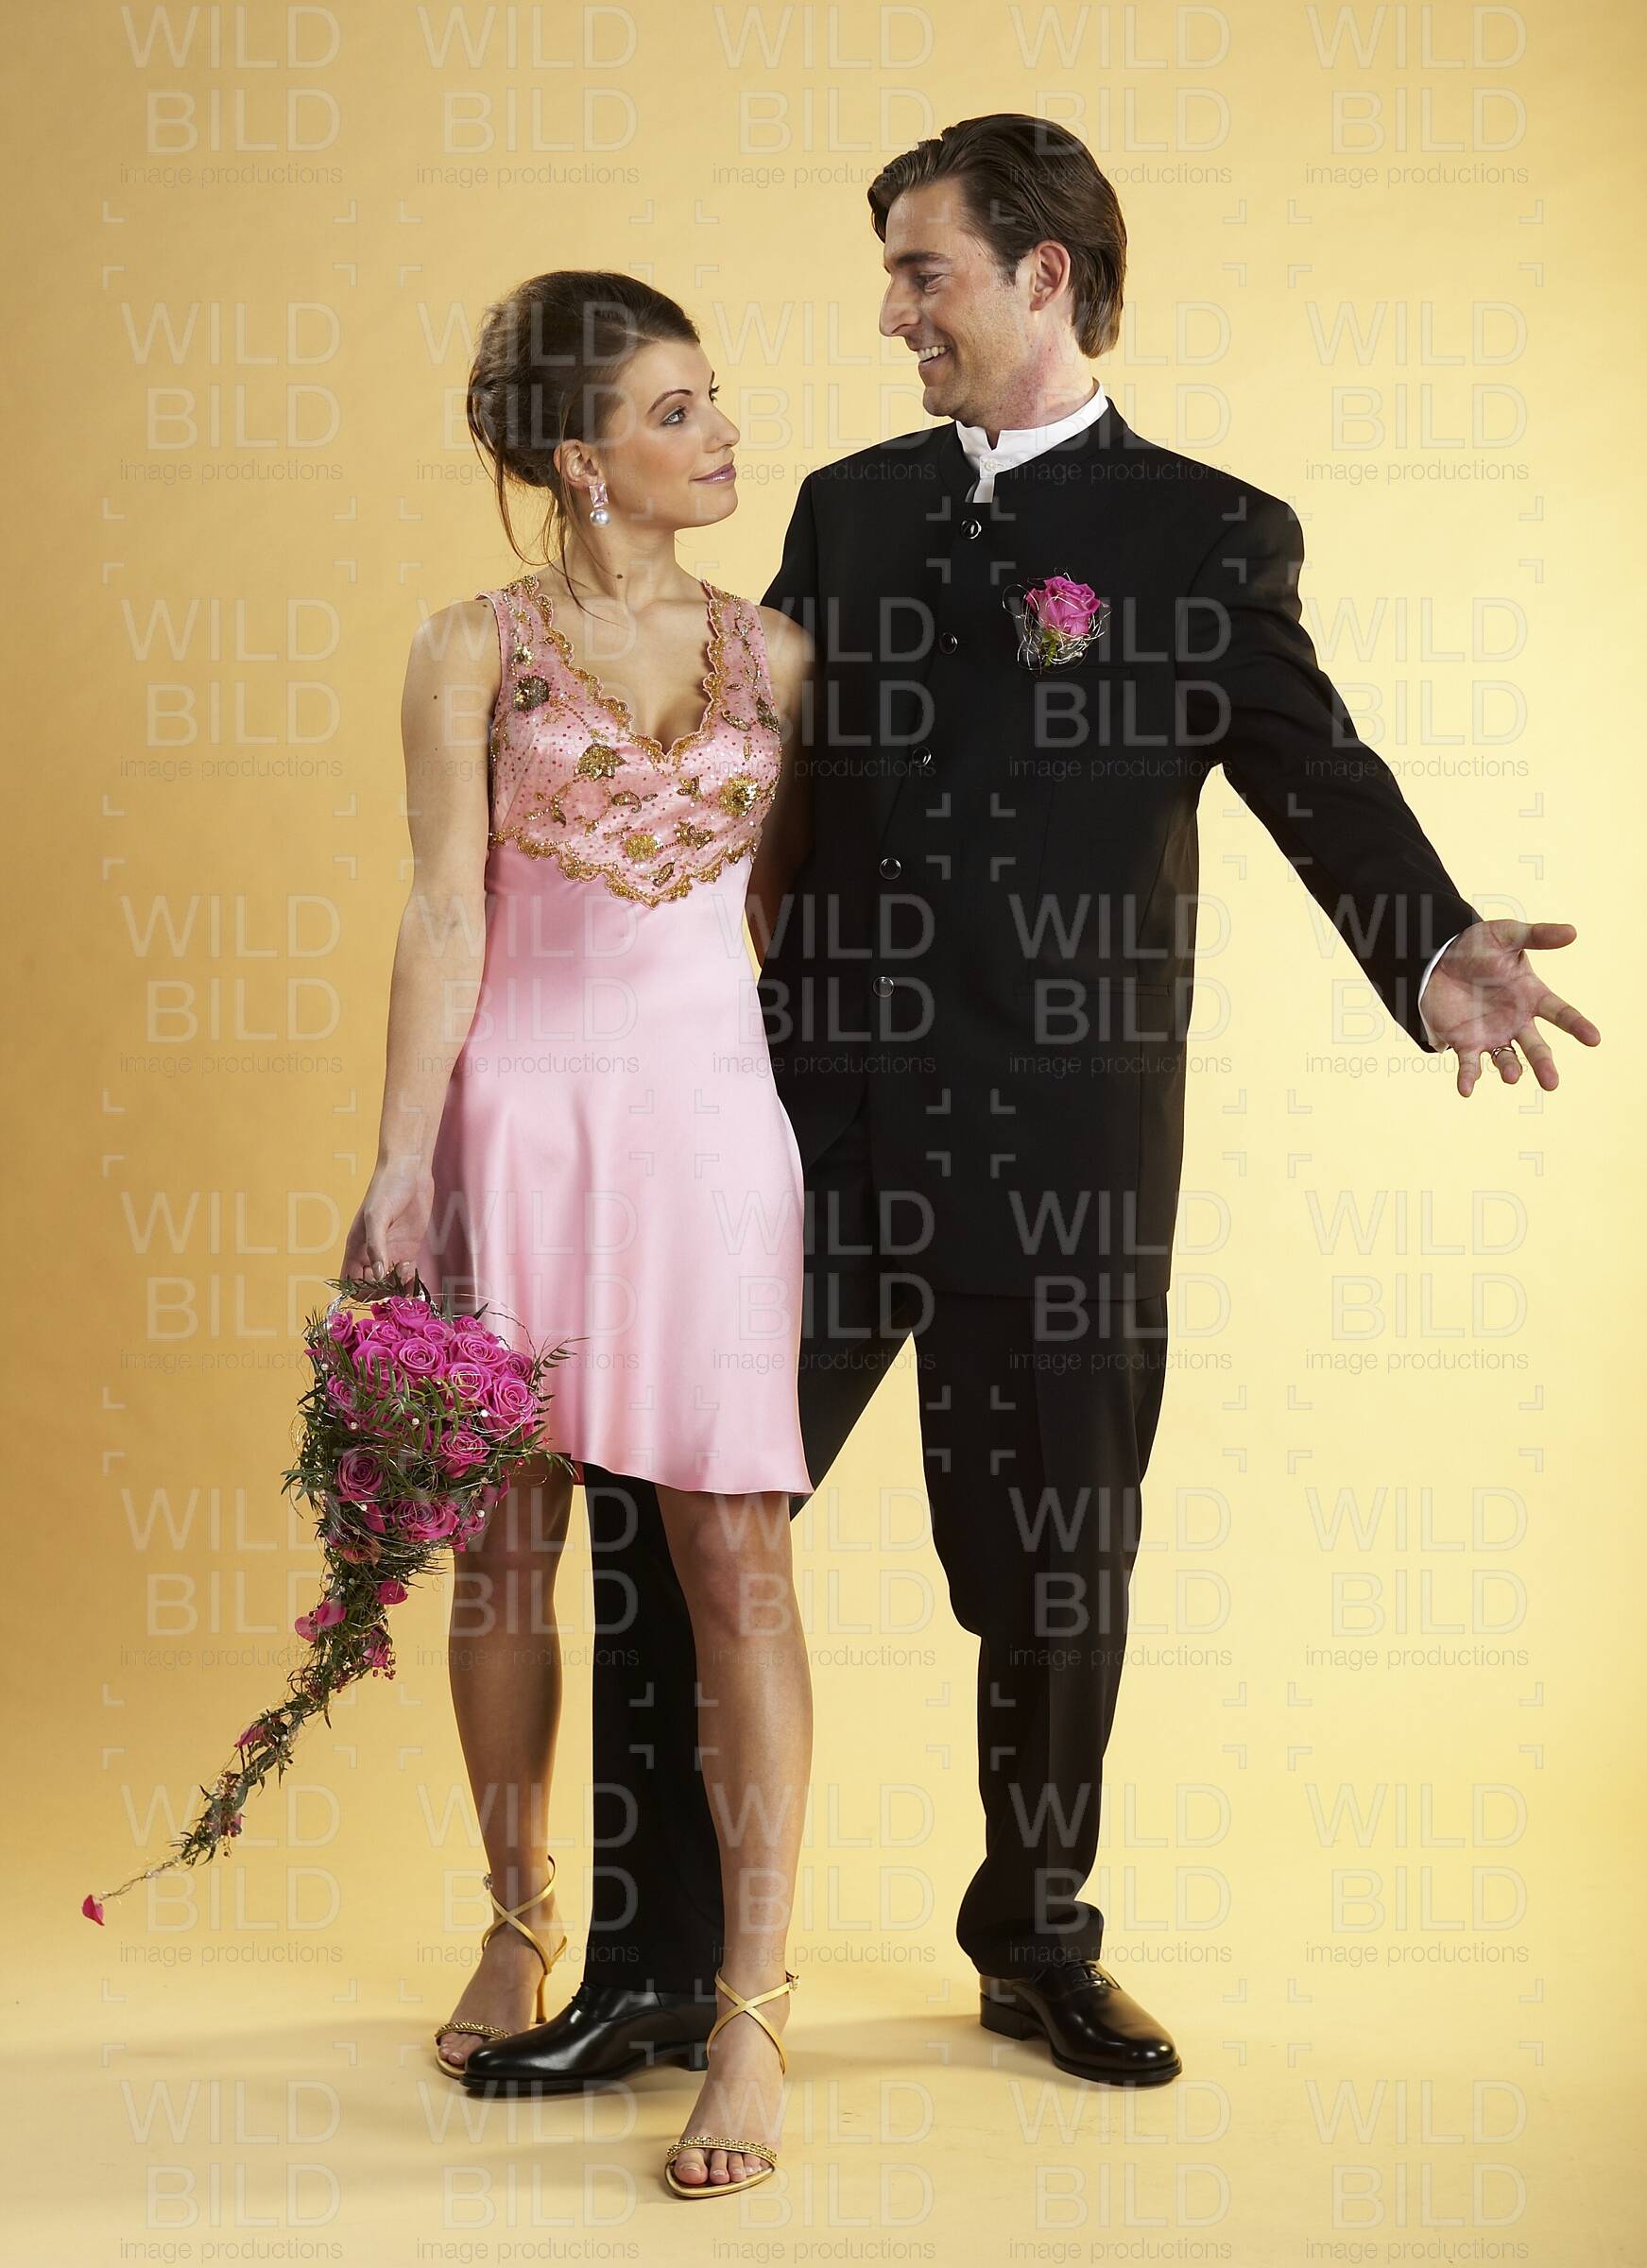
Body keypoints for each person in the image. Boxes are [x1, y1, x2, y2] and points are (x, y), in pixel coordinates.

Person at [464, 116, 1599, 2098]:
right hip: (804, 1133)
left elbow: (1310, 768)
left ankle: (1036, 1937)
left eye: (923, 273)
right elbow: (744, 772)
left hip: (1067, 1156)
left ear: (1041, 276)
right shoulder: (847, 510)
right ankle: (648, 1968)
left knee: (1057, 1565)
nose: (890, 312)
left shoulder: (1204, 534)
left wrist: (1425, 945)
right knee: (668, 1527)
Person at [341, 269, 821, 2197]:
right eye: (676, 410)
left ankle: (752, 2013)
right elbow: (442, 909)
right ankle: (515, 1913)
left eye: (715, 399)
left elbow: (779, 918)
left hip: (709, 1135)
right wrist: (401, 1161)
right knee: (504, 1546)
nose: (721, 434)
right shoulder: (466, 649)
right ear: (579, 456)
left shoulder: (778, 655)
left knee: (738, 1559)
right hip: (521, 1122)